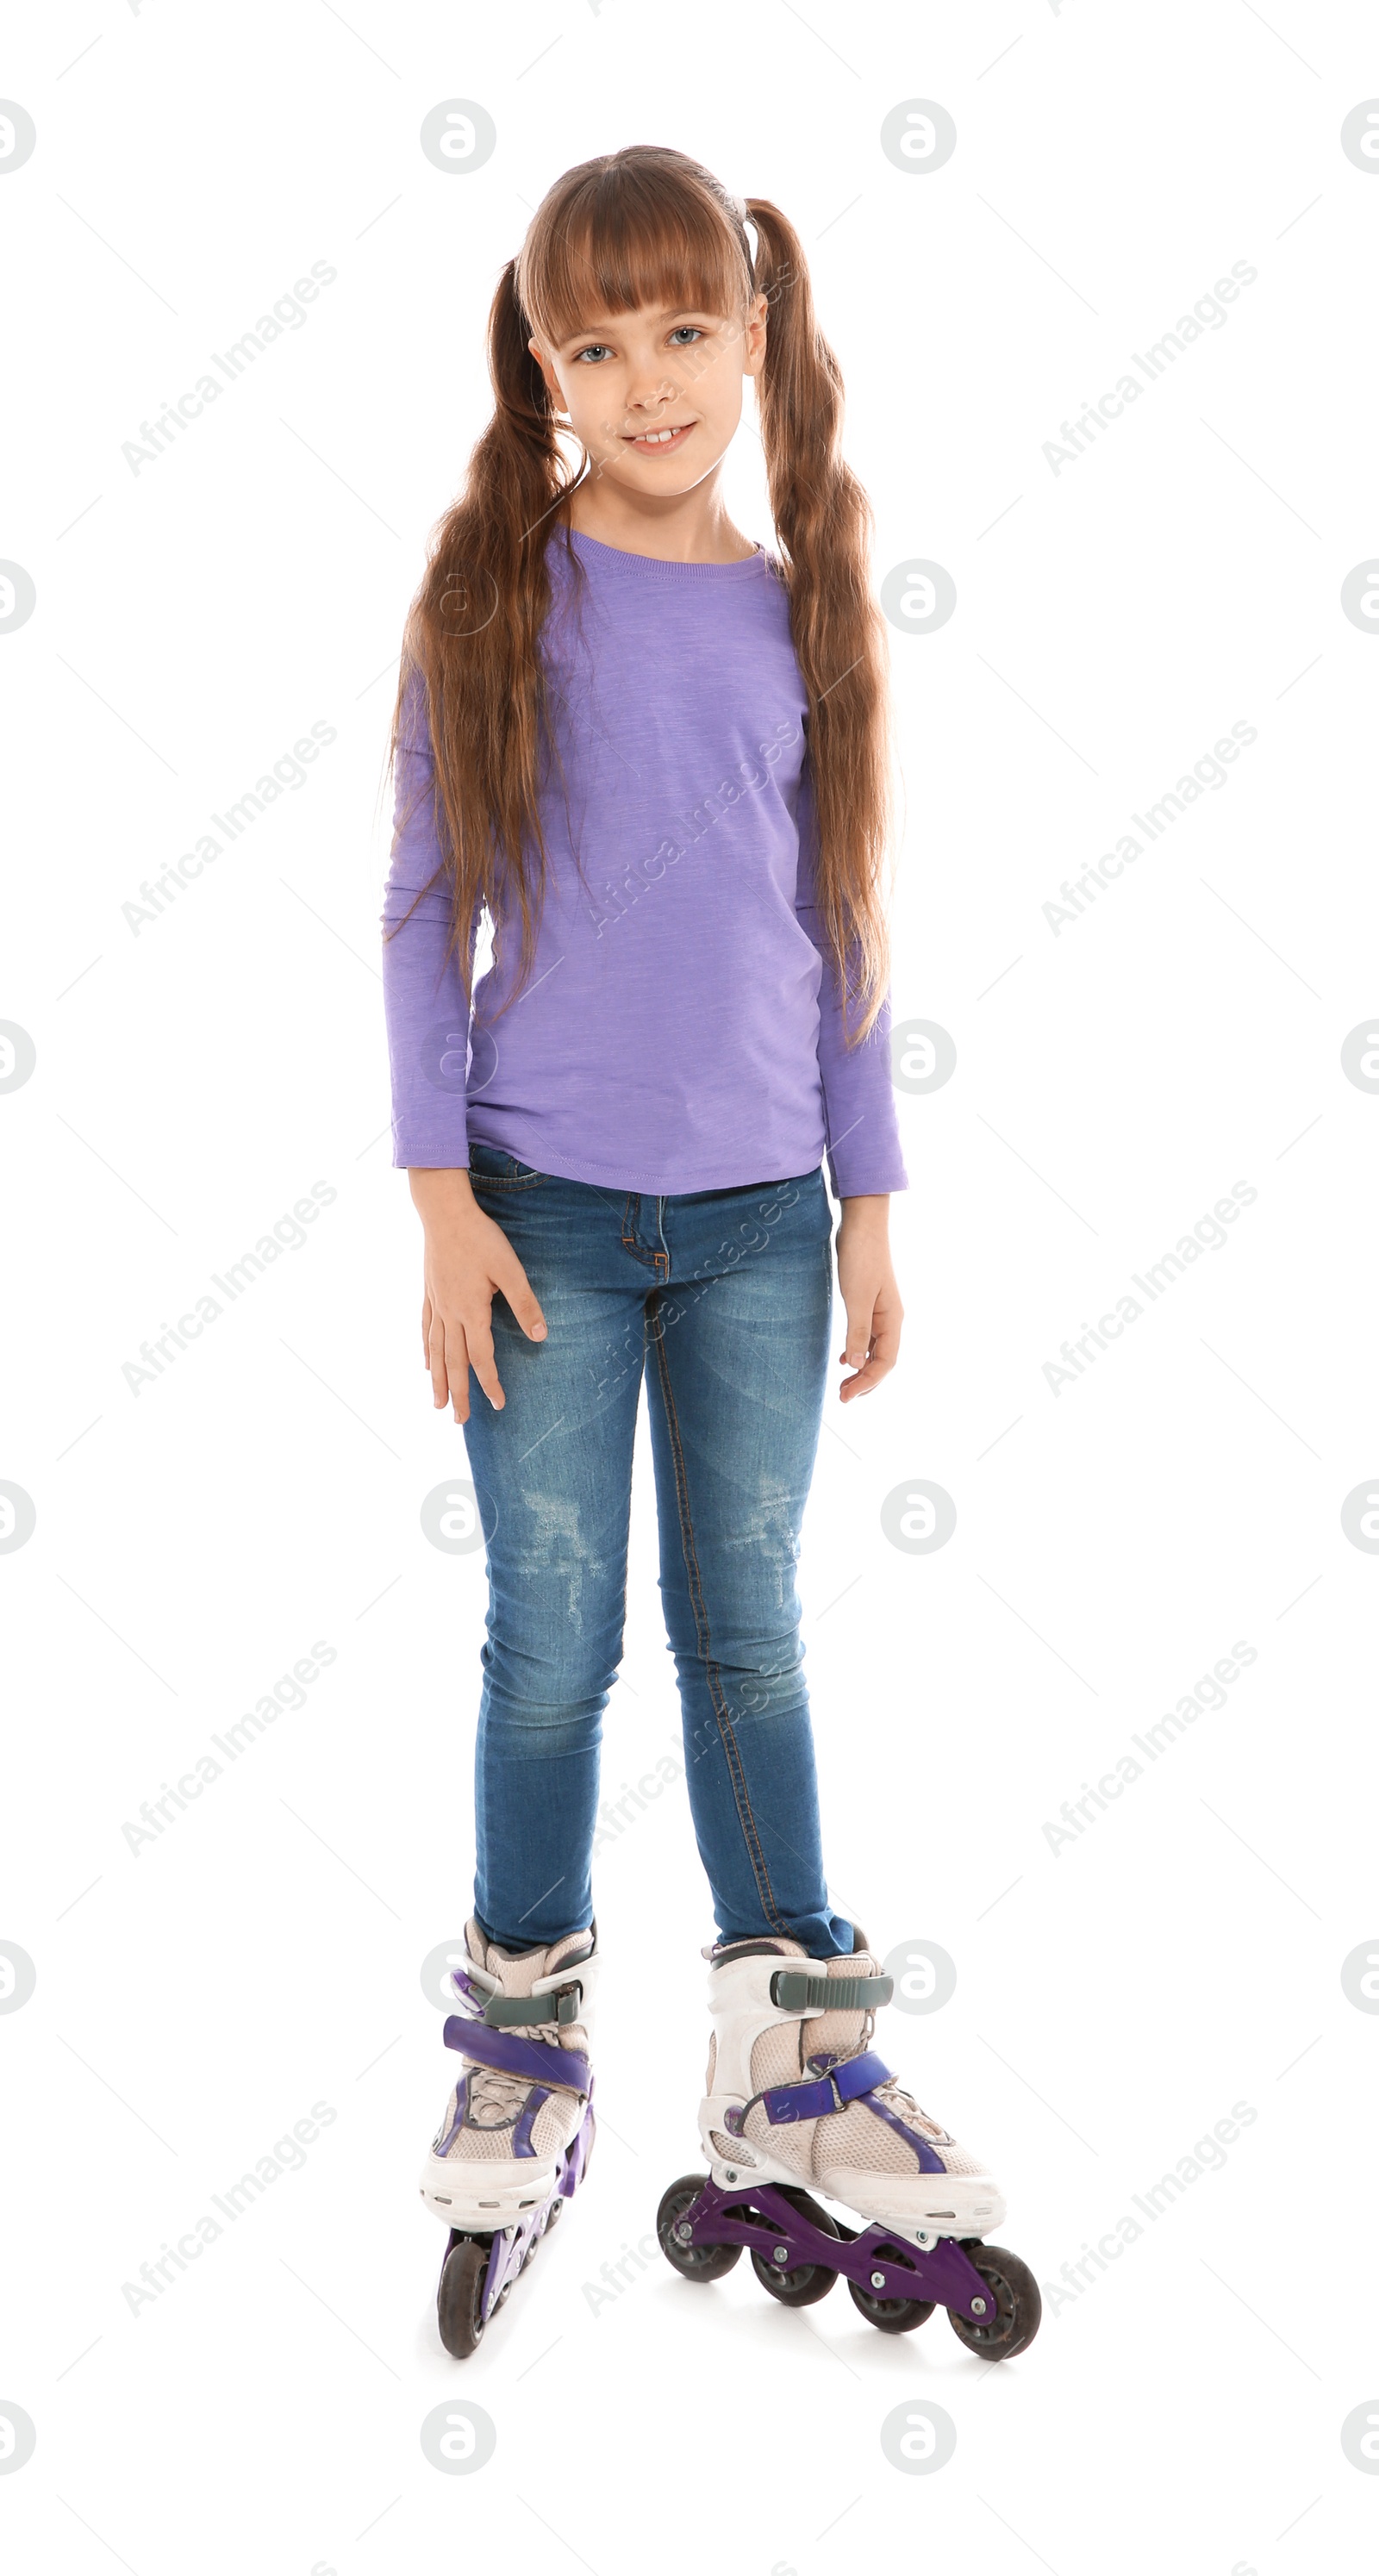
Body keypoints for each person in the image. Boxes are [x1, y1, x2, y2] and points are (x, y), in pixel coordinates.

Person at [381, 145, 1008, 2355]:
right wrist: (441, 1202)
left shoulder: (799, 602)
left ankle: (787, 2042)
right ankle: (524, 2026)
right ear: (545, 362)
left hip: (758, 1220)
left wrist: (870, 1194)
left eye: (681, 331)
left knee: (746, 1634)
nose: (643, 380)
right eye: (595, 341)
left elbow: (837, 920)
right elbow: (409, 913)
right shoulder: (495, 594)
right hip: (540, 1216)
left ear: (749, 336)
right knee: (551, 1647)